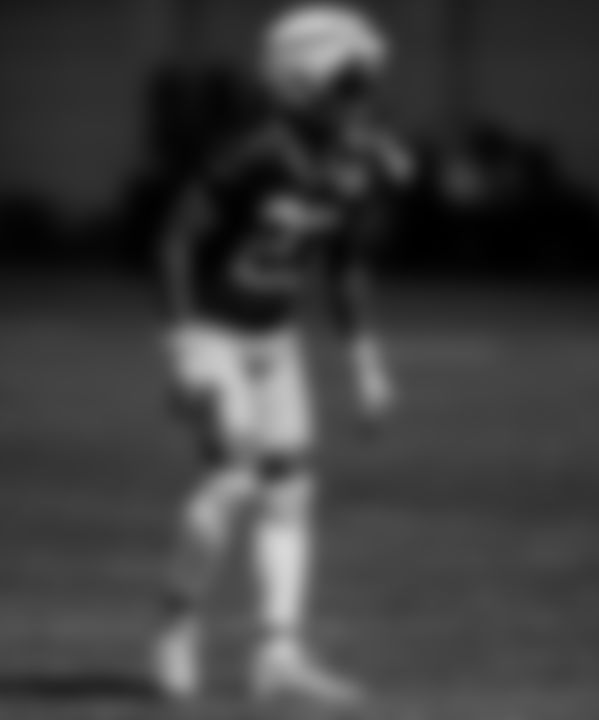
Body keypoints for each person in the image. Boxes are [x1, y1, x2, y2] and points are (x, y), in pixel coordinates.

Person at [149, 2, 411, 707]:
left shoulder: (352, 159)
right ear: (300, 83)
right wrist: (181, 341)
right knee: (233, 481)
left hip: (276, 336)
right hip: (215, 330)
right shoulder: (257, 151)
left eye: (364, 86)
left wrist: (365, 362)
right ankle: (176, 627)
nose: (361, 101)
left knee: (290, 491)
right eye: (347, 86)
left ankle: (278, 655)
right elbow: (176, 238)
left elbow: (345, 265)